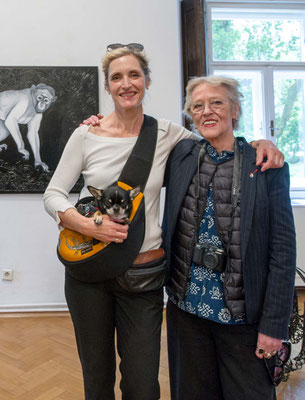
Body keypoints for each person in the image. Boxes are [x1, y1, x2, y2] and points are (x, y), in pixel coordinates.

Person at [43, 44, 284, 400]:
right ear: (107, 86)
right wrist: (87, 225)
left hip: (143, 277)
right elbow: (54, 195)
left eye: (134, 75)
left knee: (143, 385)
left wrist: (263, 142)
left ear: (147, 81)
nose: (126, 83)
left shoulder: (171, 136)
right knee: (97, 379)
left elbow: (218, 140)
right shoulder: (86, 135)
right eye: (117, 77)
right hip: (89, 277)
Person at [162, 75, 296, 399]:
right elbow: (132, 140)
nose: (207, 111)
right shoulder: (181, 155)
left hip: (244, 319)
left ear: (235, 110)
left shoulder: (265, 165)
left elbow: (283, 252)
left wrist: (274, 327)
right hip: (187, 313)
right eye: (198, 106)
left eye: (216, 102)